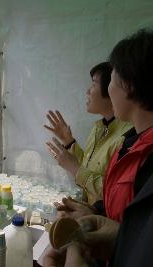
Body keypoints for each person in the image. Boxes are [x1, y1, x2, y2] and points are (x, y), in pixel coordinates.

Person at [45, 28, 153, 267]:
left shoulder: (141, 151)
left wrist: (76, 169)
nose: (88, 90)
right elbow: (121, 207)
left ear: (128, 85)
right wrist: (93, 212)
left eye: (111, 79)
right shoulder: (130, 142)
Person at [45, 62, 131, 205]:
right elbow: (89, 166)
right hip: (90, 211)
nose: (88, 91)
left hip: (107, 220)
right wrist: (69, 141)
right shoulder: (99, 127)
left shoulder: (128, 136)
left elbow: (116, 193)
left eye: (93, 85)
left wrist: (75, 169)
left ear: (111, 90)